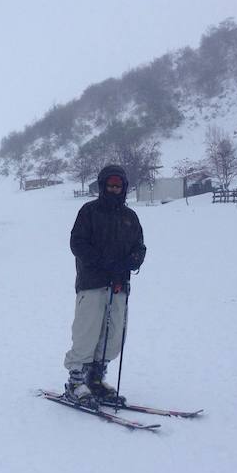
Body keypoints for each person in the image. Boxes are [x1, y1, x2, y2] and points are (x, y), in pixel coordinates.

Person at [64, 164, 146, 408]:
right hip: (92, 283)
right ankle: (75, 381)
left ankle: (96, 379)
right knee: (86, 332)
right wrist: (103, 263)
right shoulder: (89, 212)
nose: (113, 189)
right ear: (102, 186)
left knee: (113, 335)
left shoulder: (130, 217)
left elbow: (139, 246)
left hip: (119, 285)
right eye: (110, 185)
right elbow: (77, 243)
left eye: (117, 186)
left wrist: (134, 260)